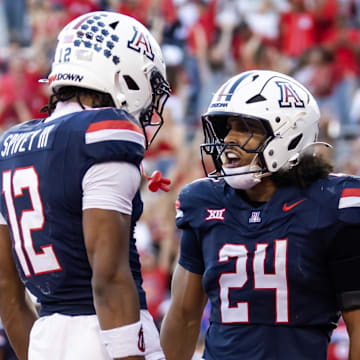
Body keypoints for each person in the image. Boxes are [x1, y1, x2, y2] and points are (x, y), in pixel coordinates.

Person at [0, 11, 170, 360]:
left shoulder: (9, 144)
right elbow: (108, 280)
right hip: (108, 335)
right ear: (123, 73)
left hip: (46, 337)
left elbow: (6, 288)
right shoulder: (104, 131)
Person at [160, 70, 360, 359]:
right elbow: (183, 316)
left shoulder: (332, 205)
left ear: (288, 133)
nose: (229, 138)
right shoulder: (204, 202)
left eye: (244, 127)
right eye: (228, 127)